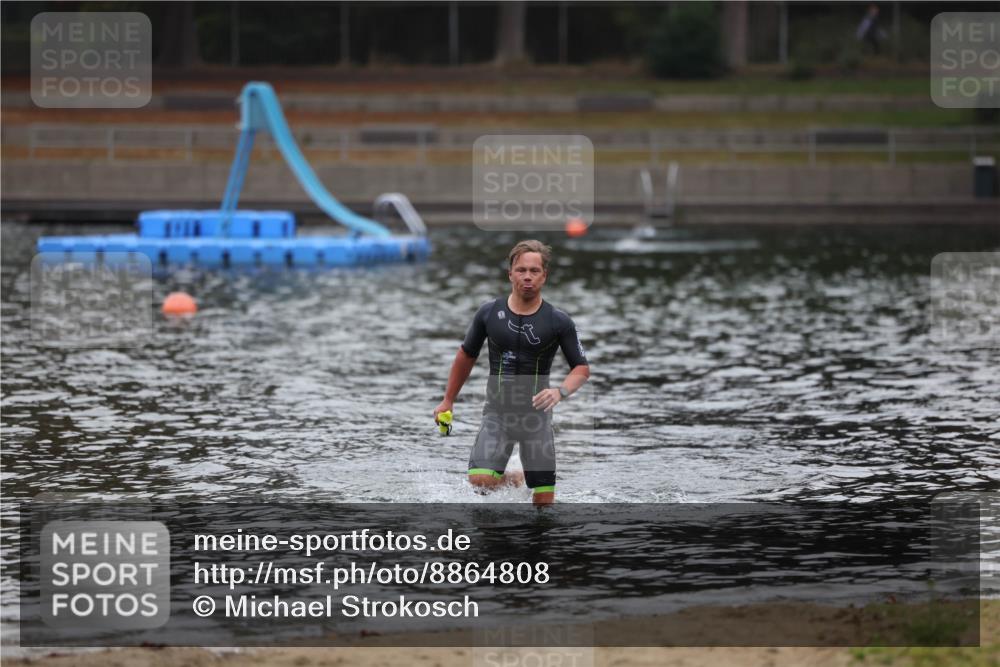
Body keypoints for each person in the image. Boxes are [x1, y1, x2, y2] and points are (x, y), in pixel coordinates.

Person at [433, 240, 590, 505]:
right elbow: (466, 356)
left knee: (543, 504)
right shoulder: (489, 313)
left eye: (534, 271)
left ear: (544, 276)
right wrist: (448, 399)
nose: (527, 276)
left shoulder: (558, 321)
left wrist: (560, 391)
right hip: (497, 413)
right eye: (521, 270)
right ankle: (515, 479)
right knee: (481, 481)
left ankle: (526, 480)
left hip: (536, 419)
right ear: (510, 274)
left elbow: (581, 368)